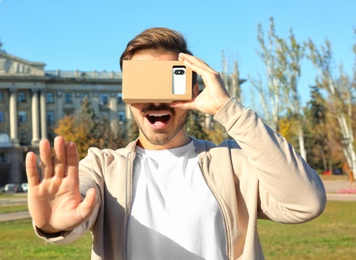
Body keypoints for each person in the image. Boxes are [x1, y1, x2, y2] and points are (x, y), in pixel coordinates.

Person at [26, 27, 327, 259]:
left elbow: (305, 203)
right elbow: (75, 207)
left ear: (193, 91)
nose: (157, 100)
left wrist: (228, 110)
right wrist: (55, 223)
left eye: (170, 83)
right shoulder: (103, 168)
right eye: (143, 85)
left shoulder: (232, 164)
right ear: (126, 96)